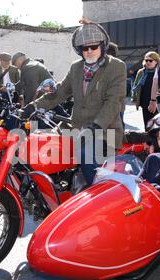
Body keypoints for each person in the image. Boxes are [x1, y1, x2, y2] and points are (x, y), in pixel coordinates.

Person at [24, 22, 126, 187]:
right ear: (80, 49)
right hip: (76, 128)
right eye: (85, 48)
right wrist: (32, 106)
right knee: (42, 146)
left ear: (103, 45)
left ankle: (99, 192)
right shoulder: (76, 67)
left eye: (94, 46)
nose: (90, 51)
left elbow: (114, 102)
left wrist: (97, 125)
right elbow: (60, 92)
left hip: (105, 131)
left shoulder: (116, 66)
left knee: (85, 154)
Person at [131, 51, 160, 130]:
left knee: (157, 124)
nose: (148, 62)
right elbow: (135, 85)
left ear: (156, 61)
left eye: (150, 60)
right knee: (147, 124)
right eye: (146, 60)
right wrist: (134, 98)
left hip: (157, 102)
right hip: (145, 102)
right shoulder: (141, 72)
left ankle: (156, 141)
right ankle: (148, 141)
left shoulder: (159, 72)